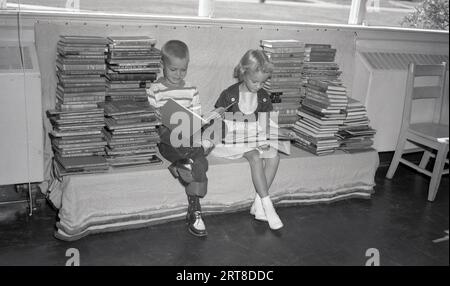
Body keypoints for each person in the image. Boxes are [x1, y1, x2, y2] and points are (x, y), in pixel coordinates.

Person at [213, 49, 289, 230]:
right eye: (254, 81)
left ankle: (258, 204)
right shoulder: (229, 94)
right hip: (232, 139)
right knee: (255, 156)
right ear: (242, 73)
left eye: (263, 82)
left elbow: (265, 123)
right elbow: (219, 121)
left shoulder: (263, 96)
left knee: (274, 155)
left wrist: (272, 134)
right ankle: (268, 205)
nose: (258, 86)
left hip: (254, 136)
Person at [147, 40, 214, 237]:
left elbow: (196, 119)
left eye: (183, 70)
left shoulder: (191, 89)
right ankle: (195, 207)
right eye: (173, 69)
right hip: (166, 139)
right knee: (199, 157)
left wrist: (199, 127)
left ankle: (194, 206)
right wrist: (155, 114)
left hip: (186, 139)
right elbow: (148, 118)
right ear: (163, 65)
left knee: (214, 132)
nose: (178, 75)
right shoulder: (155, 89)